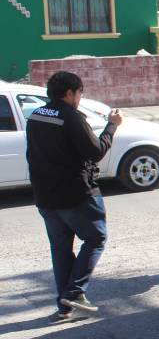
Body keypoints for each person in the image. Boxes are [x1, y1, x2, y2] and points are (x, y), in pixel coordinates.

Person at [26, 71, 123, 322]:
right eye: (80, 92)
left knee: (60, 249)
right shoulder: (71, 117)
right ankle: (75, 293)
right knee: (96, 238)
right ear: (69, 93)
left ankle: (65, 308)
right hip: (76, 194)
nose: (80, 97)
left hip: (45, 196)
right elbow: (95, 151)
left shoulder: (36, 115)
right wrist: (112, 126)